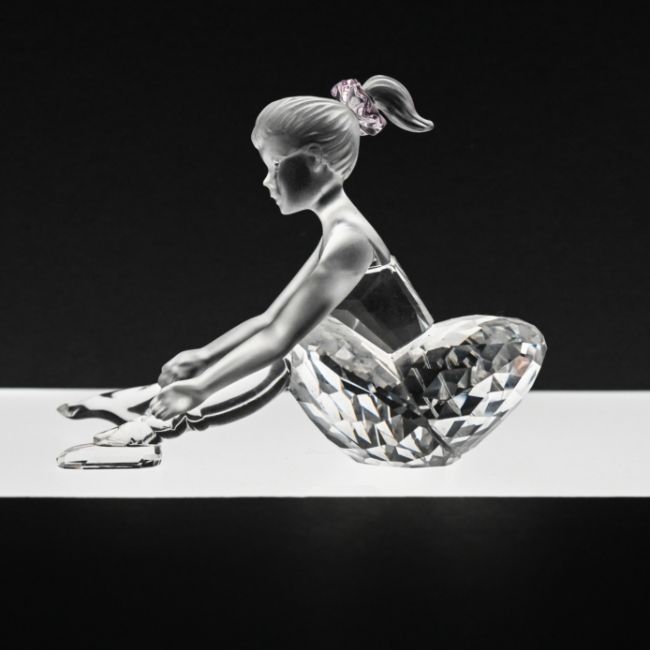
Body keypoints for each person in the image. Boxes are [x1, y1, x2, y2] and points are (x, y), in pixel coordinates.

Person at [57, 75, 546, 469]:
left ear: (314, 161)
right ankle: (150, 402)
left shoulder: (350, 243)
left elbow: (284, 339)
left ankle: (155, 427)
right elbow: (271, 318)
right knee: (302, 336)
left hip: (407, 424)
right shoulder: (339, 231)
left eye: (274, 166)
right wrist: (202, 358)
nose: (266, 181)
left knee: (305, 340)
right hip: (384, 402)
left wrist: (200, 388)